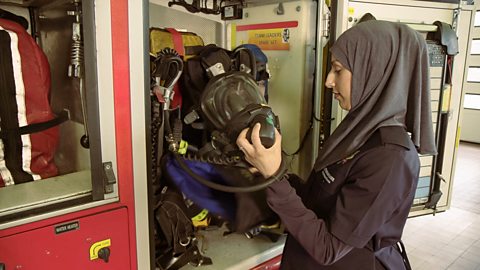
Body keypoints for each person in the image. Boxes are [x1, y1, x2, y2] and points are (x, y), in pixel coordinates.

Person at [236, 19, 437, 269]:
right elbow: (319, 200)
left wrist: (274, 178)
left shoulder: (390, 157)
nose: (329, 81)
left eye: (338, 69)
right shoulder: (359, 132)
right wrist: (272, 172)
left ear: (371, 70)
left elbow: (329, 247)